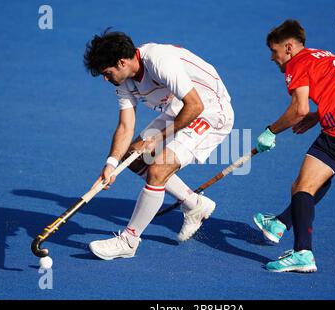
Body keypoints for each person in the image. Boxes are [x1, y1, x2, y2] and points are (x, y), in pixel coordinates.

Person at [83, 29, 234, 260]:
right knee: (133, 158)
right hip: (177, 108)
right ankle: (194, 205)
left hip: (210, 111)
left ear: (122, 62)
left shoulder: (159, 61)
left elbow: (195, 106)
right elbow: (125, 126)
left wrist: (158, 137)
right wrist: (111, 164)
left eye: (107, 72)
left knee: (158, 169)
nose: (105, 78)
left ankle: (129, 240)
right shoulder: (124, 80)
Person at [253, 20, 335, 272]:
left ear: (289, 47)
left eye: (275, 51)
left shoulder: (296, 64)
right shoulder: (322, 55)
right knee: (319, 176)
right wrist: (319, 114)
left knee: (302, 185)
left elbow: (298, 109)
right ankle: (280, 223)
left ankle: (303, 253)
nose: (273, 58)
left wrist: (271, 131)